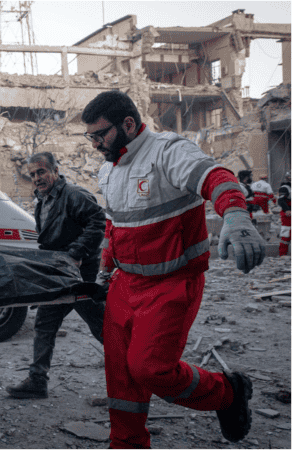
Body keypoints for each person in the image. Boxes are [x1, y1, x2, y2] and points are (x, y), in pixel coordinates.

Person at [82, 90, 265, 448]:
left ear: (128, 124)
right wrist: (105, 272)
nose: (94, 144)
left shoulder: (168, 151)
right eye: (90, 137)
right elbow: (114, 226)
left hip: (171, 284)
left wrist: (237, 215)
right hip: (125, 285)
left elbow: (216, 176)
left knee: (151, 369)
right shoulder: (109, 170)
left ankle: (227, 392)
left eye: (99, 134)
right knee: (121, 378)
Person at [5, 152, 106, 399]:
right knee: (45, 323)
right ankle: (37, 380)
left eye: (41, 172)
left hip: (79, 276)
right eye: (32, 174)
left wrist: (77, 252)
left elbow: (98, 221)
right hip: (59, 274)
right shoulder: (44, 201)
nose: (37, 178)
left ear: (55, 171)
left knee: (101, 325)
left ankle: (133, 371)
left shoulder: (73, 195)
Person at [278, 173, 290, 256]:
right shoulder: (285, 188)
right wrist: (287, 210)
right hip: (288, 214)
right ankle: (283, 254)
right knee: (286, 234)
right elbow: (281, 200)